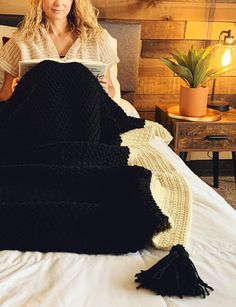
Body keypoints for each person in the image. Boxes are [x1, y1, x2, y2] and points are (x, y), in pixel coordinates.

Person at [0, 0, 119, 102]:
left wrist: (106, 90)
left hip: (84, 111)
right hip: (38, 114)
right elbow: (5, 94)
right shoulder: (21, 41)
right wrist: (16, 91)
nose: (58, 3)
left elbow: (111, 90)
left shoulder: (95, 38)